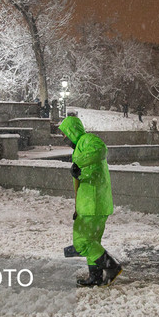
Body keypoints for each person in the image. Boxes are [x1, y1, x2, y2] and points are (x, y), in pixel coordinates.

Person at [59, 115, 122, 287]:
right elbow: (83, 178)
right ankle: (95, 277)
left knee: (82, 243)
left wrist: (78, 164)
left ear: (72, 131)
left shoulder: (88, 140)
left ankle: (112, 267)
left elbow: (100, 149)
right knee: (93, 242)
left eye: (65, 134)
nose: (64, 139)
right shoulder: (80, 146)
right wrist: (77, 207)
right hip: (92, 203)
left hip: (93, 203)